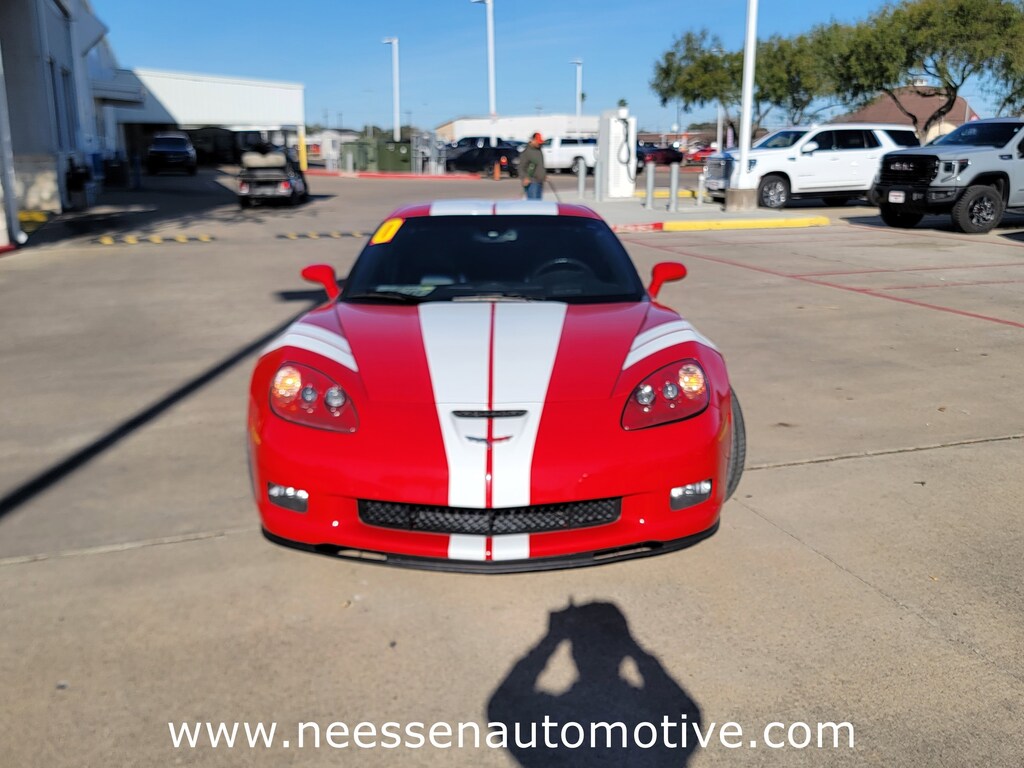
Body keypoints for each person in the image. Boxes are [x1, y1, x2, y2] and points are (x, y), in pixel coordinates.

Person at [520, 132, 546, 199]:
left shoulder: (538, 151)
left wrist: (543, 175)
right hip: (532, 182)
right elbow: (521, 168)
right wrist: (524, 178)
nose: (539, 144)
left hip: (540, 182)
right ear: (533, 140)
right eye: (538, 142)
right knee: (533, 205)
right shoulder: (526, 152)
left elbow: (539, 165)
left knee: (539, 205)